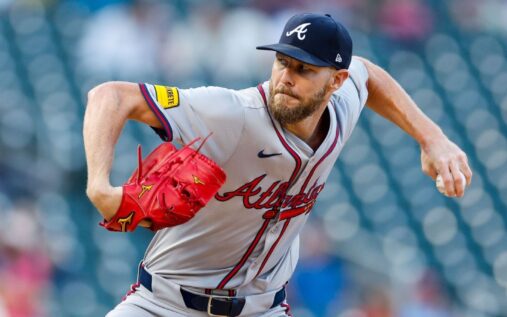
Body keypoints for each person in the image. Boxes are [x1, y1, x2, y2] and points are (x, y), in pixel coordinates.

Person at [83, 13, 472, 317]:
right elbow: (110, 96)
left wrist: (432, 138)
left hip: (262, 308)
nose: (286, 77)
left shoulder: (343, 105)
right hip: (164, 304)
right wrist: (99, 185)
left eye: (304, 69)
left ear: (335, 81)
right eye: (283, 62)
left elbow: (367, 74)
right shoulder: (230, 113)